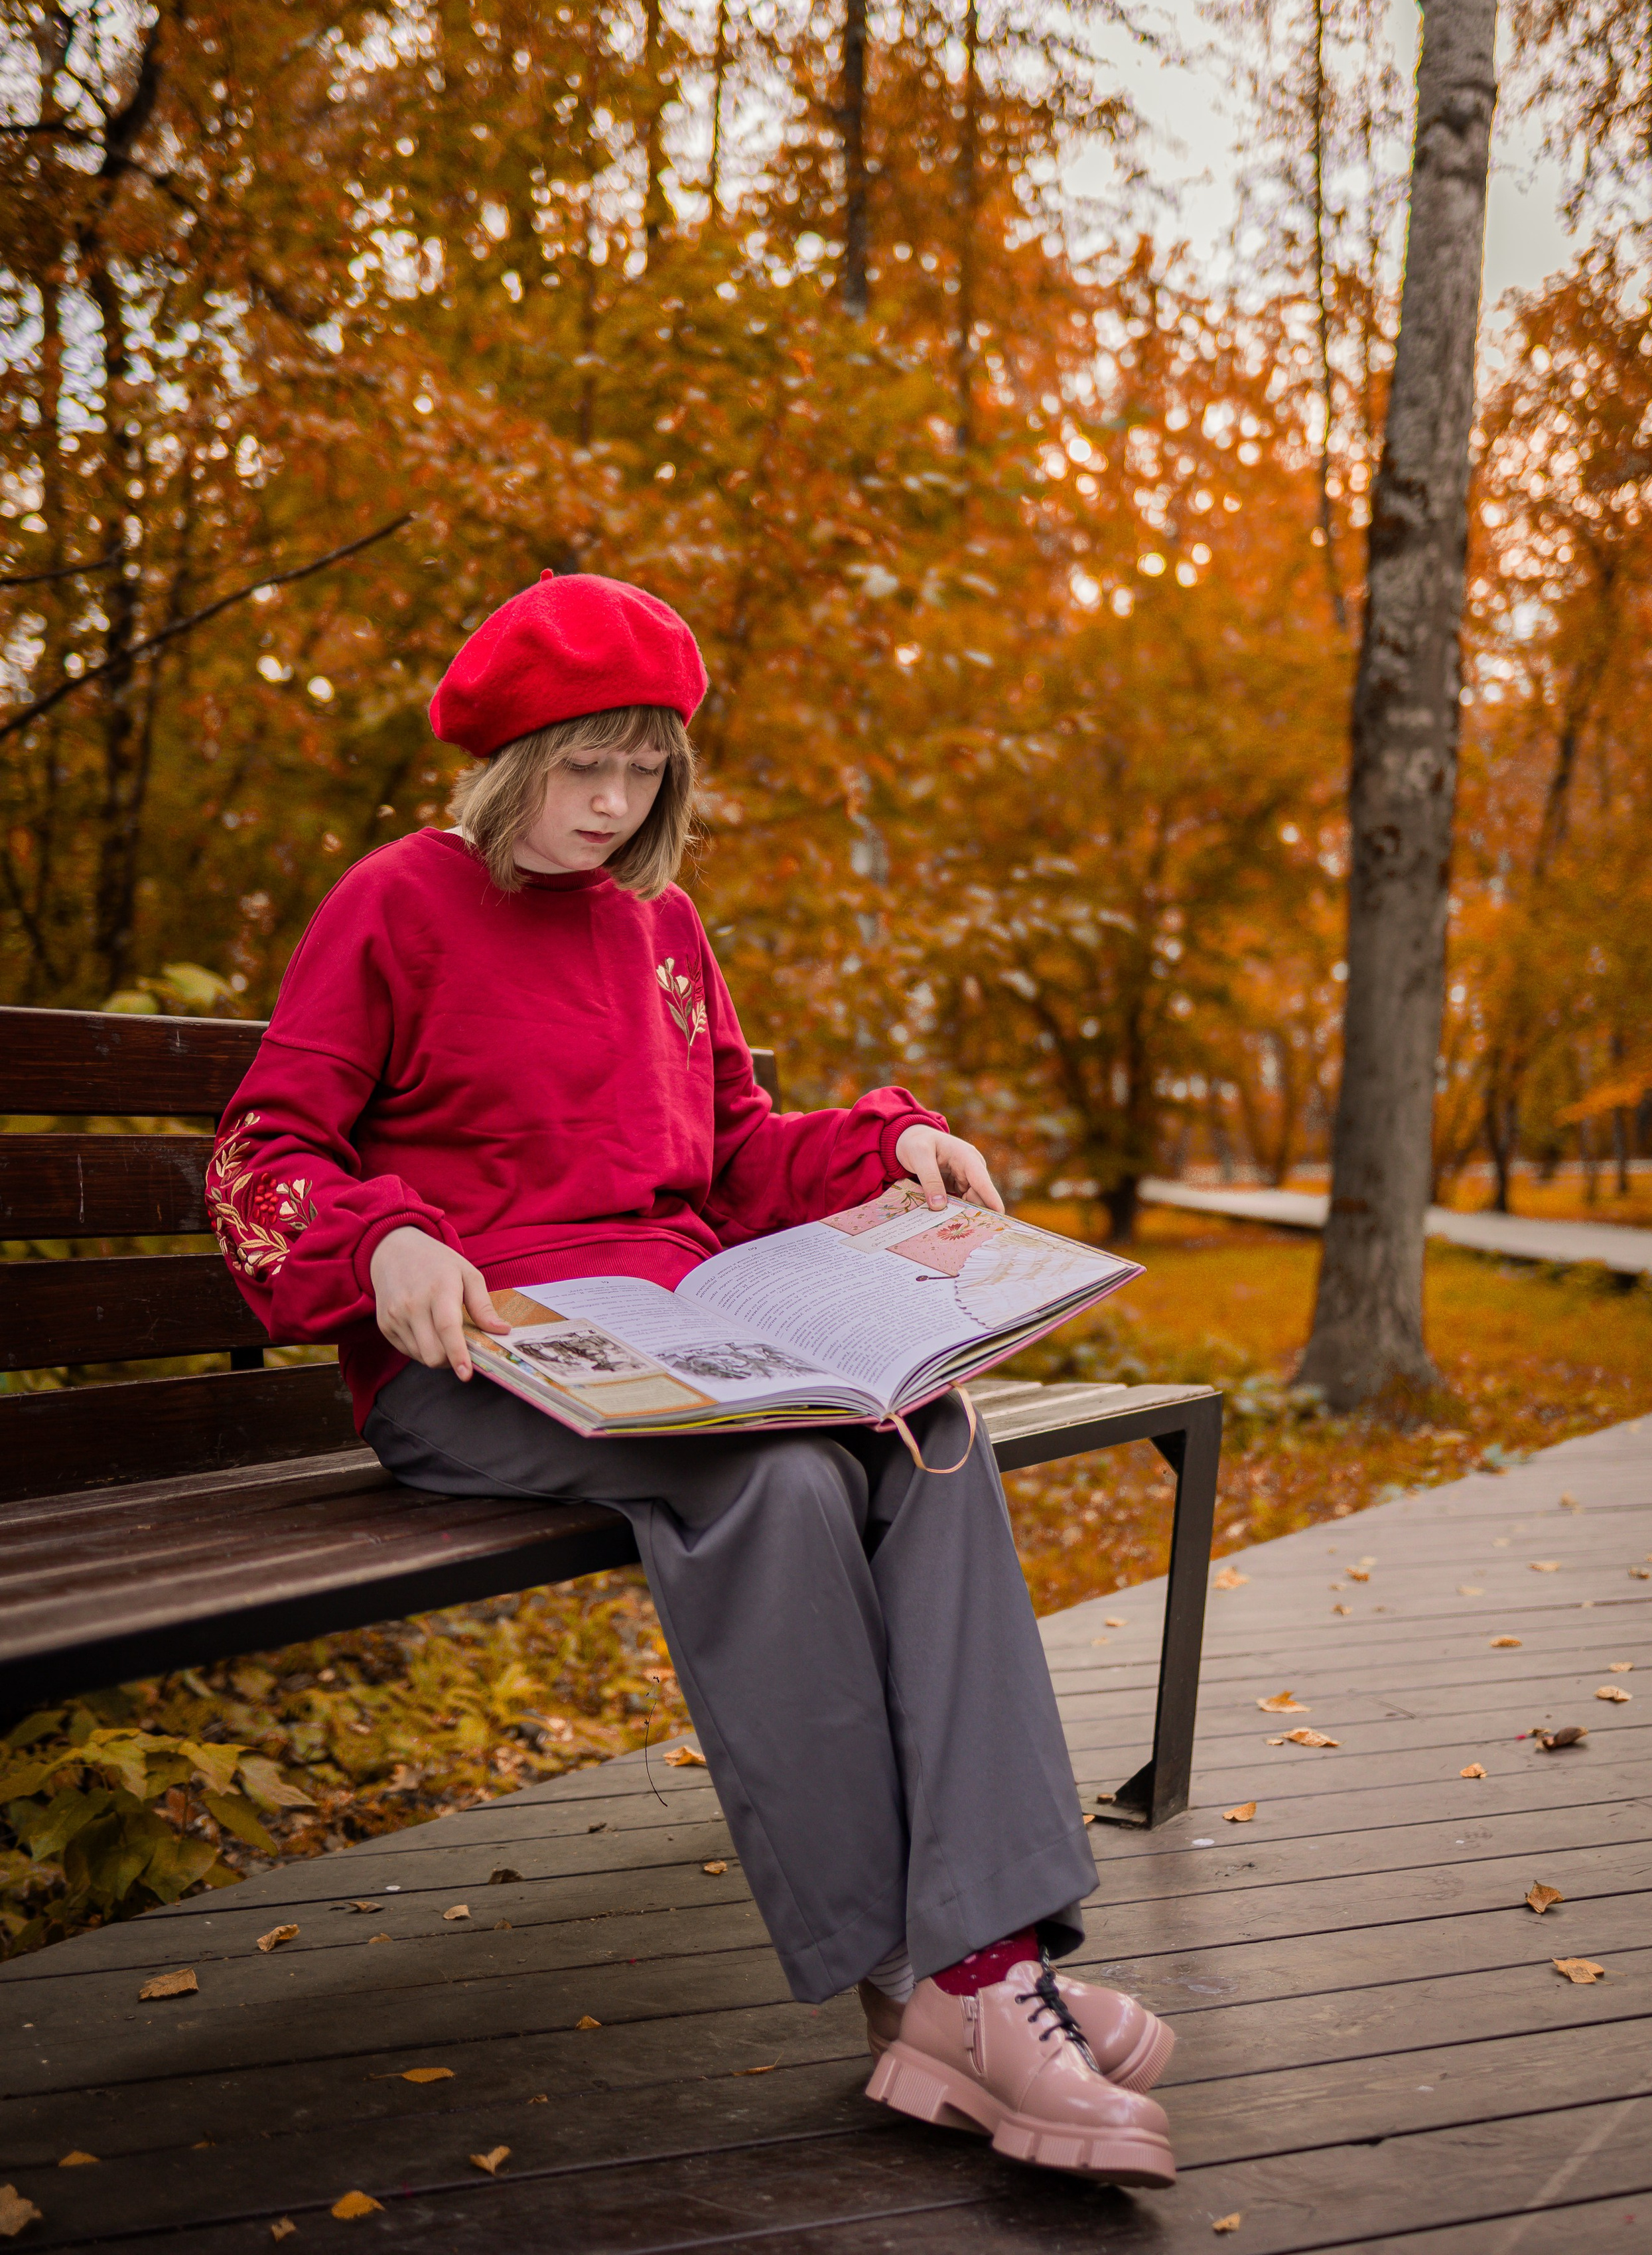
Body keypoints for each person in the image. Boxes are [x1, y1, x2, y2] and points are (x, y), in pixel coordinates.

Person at [208, 570, 1177, 2185]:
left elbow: (732, 1152)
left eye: (644, 768)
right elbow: (264, 1151)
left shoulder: (659, 931)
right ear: (509, 760)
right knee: (776, 1481)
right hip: (486, 1357)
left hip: (691, 1343)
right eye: (582, 767)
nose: (612, 803)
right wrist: (384, 1239)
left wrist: (883, 1148)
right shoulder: (395, 901)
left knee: (927, 1434)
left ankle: (982, 1963)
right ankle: (927, 1988)